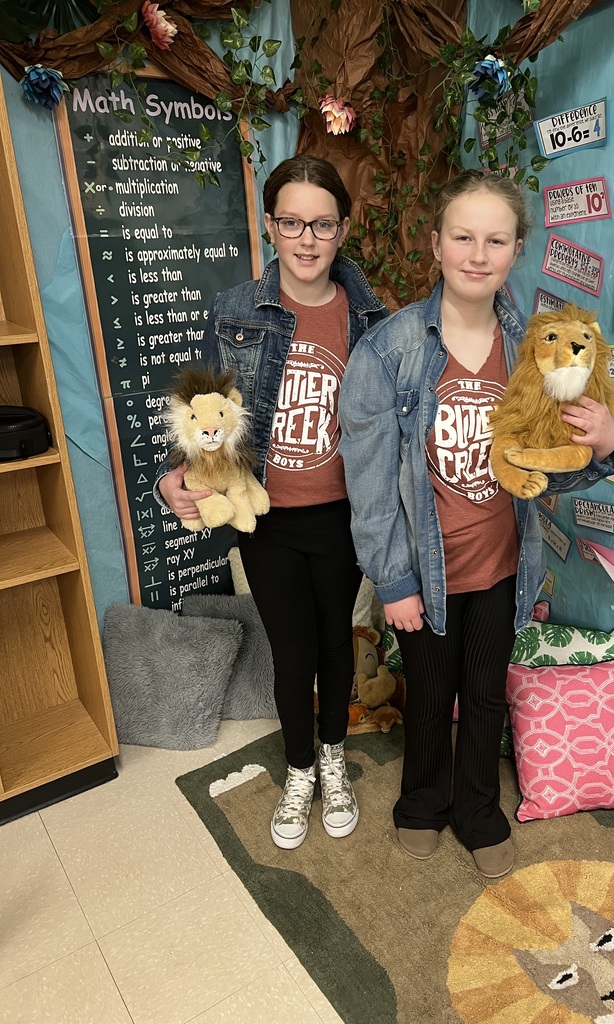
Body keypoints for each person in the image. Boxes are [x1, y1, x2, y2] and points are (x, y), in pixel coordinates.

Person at [338, 169, 614, 879]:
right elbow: (369, 489)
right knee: (431, 694)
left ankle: (477, 809)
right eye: (462, 236)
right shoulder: (389, 351)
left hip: (502, 563)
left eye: (495, 240)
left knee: (486, 691)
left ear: (516, 249)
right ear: (436, 243)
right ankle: (422, 801)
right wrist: (394, 579)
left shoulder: (538, 347)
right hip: (424, 573)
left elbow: (553, 463)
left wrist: (606, 450)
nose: (476, 253)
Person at [157, 155, 389, 849]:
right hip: (267, 519)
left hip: (344, 515)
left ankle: (333, 759)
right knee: (293, 654)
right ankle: (298, 771)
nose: (307, 239)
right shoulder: (234, 311)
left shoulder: (372, 319)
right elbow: (204, 412)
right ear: (270, 225)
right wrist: (176, 473)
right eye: (292, 222)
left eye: (322, 223)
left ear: (343, 229)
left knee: (335, 646)